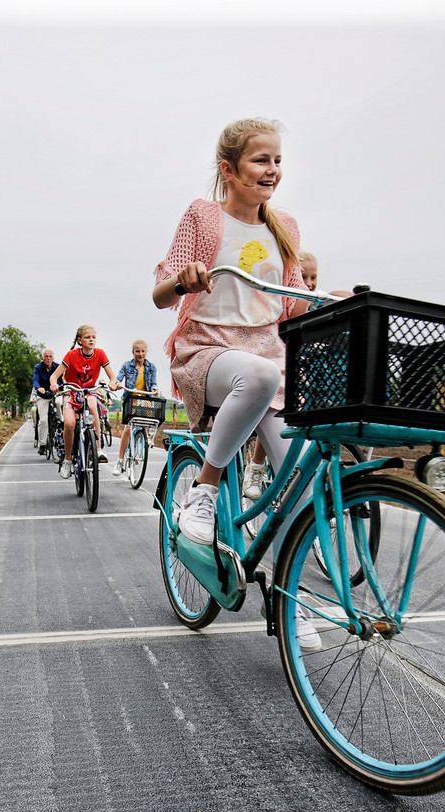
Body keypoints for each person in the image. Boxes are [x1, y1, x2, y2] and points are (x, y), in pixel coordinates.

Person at [153, 117, 321, 648]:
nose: (271, 170)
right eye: (260, 160)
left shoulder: (285, 227)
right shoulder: (204, 217)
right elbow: (161, 292)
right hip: (208, 350)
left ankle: (292, 598)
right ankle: (203, 492)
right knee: (259, 374)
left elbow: (291, 304)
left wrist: (318, 304)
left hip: (269, 356)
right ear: (228, 169)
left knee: (297, 485)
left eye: (276, 161)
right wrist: (184, 279)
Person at [241, 248, 352, 499]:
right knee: (276, 408)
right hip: (280, 365)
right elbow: (300, 310)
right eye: (304, 278)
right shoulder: (292, 300)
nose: (311, 284)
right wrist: (332, 296)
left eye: (314, 278)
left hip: (307, 370)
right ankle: (256, 466)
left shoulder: (316, 301)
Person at [49, 325, 120, 479]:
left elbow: (112, 377)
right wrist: (54, 384)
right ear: (80, 341)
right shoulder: (71, 355)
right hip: (72, 392)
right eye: (88, 337)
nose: (91, 340)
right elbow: (54, 376)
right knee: (69, 424)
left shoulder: (100, 354)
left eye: (93, 337)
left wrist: (113, 383)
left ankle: (99, 448)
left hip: (90, 391)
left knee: (93, 404)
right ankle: (67, 459)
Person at [112, 340, 157, 477]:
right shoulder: (127, 366)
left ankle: (147, 435)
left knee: (149, 421)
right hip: (130, 400)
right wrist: (117, 384)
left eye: (143, 351)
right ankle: (120, 461)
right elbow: (118, 379)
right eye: (137, 351)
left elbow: (154, 383)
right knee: (127, 429)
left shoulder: (151, 367)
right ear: (133, 352)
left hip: (145, 400)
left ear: (146, 352)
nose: (140, 354)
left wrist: (154, 389)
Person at [31, 348, 59, 453]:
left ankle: (60, 425)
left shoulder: (57, 367)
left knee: (60, 405)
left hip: (55, 394)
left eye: (50, 356)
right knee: (43, 420)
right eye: (46, 356)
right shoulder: (38, 367)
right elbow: (35, 381)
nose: (48, 358)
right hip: (43, 395)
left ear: (53, 358)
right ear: (42, 358)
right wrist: (39, 388)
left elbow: (61, 379)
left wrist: (58, 387)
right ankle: (42, 443)